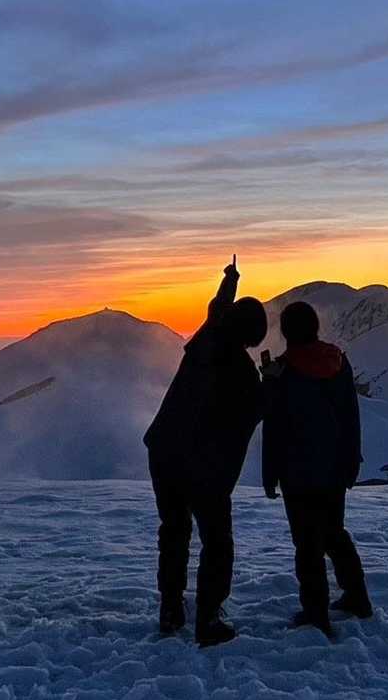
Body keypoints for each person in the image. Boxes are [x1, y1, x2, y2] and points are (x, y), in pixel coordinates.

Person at [143, 255, 267, 646]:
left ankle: (170, 609)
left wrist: (230, 280)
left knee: (174, 531)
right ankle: (208, 617)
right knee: (216, 540)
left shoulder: (207, 338)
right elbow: (254, 411)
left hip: (164, 449)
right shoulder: (242, 370)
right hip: (203, 465)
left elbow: (218, 308)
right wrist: (272, 382)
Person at [262, 300, 373, 637]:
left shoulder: (282, 371)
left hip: (297, 471)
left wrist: (269, 472)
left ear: (286, 332)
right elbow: (350, 415)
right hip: (334, 467)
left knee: (307, 543)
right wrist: (351, 460)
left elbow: (275, 426)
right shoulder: (338, 361)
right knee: (334, 533)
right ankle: (357, 597)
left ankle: (316, 612)